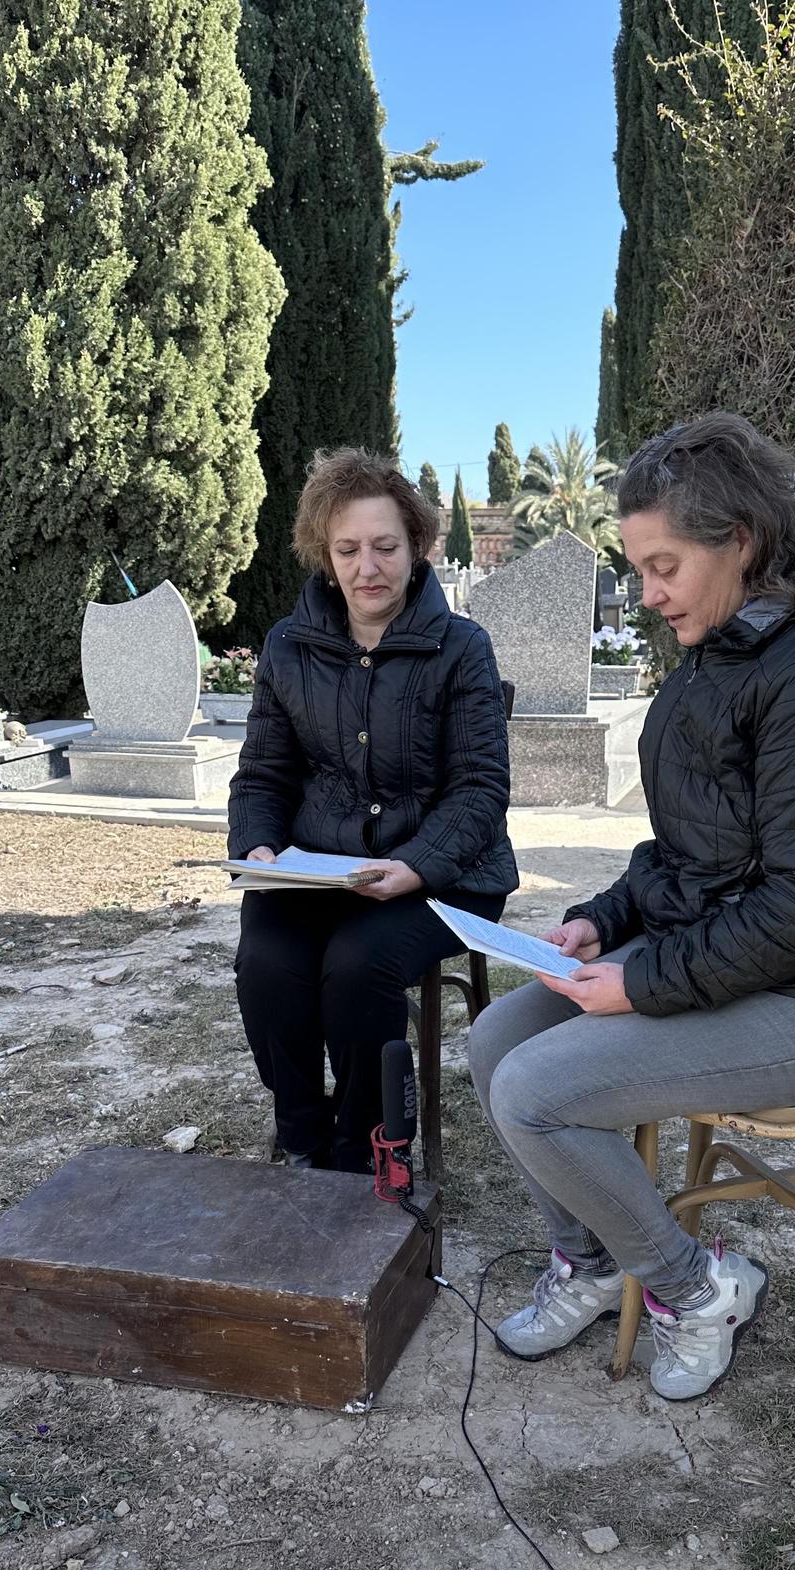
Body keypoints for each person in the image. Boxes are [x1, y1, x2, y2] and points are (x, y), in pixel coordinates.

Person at [469, 413, 795, 1401]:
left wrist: (641, 980)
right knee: (494, 1041)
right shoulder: (732, 652)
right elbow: (692, 849)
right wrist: (609, 914)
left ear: (743, 542)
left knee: (534, 1091)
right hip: (744, 959)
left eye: (664, 565)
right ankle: (597, 1264)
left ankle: (697, 1289)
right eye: (639, 567)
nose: (646, 593)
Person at [230, 447, 518, 1174]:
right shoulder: (288, 647)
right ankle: (301, 1134)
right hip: (318, 871)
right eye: (348, 550)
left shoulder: (462, 648)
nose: (368, 568)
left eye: (386, 547)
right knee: (267, 962)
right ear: (324, 556)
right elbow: (263, 772)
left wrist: (416, 866)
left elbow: (481, 788)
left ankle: (369, 1146)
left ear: (417, 546)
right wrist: (258, 846)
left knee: (358, 966)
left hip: (443, 871)